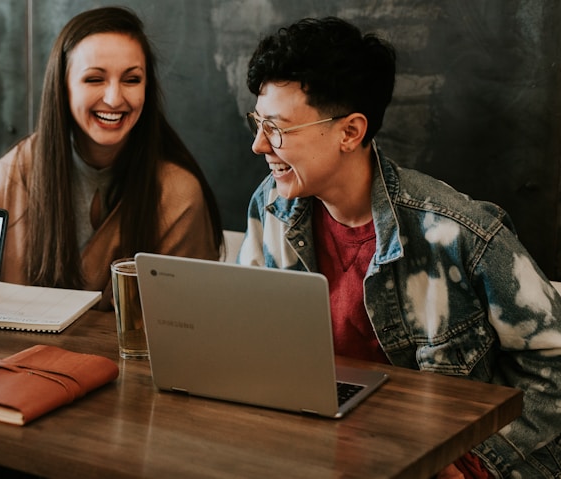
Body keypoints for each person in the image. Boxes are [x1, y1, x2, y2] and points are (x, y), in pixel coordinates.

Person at [238, 17, 561, 478]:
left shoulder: (459, 233)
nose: (257, 145)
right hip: (309, 449)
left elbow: (553, 366)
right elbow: (244, 340)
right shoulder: (270, 206)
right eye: (257, 122)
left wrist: (473, 463)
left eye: (276, 128)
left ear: (350, 132)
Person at [0, 6, 222, 309]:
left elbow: (190, 321)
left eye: (132, 80)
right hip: (16, 356)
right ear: (63, 87)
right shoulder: (23, 165)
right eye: (95, 79)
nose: (114, 98)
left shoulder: (178, 193)